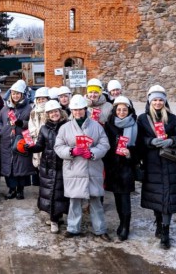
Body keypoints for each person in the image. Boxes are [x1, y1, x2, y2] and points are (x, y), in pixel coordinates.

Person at [137, 85, 176, 249]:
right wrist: (149, 141)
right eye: (155, 100)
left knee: (169, 197)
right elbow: (138, 140)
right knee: (157, 195)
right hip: (152, 162)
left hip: (170, 161)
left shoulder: (171, 118)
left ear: (164, 101)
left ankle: (165, 231)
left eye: (160, 100)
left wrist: (171, 140)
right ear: (150, 101)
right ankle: (159, 222)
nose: (158, 103)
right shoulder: (143, 118)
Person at [54, 94, 111, 241]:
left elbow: (105, 144)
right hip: (74, 169)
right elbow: (58, 146)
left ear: (85, 109)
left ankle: (100, 229)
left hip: (92, 168)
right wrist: (71, 151)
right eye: (75, 110)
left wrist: (92, 153)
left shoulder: (96, 126)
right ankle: (73, 228)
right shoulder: (65, 128)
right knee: (74, 201)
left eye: (80, 109)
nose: (78, 112)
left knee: (95, 201)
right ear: (71, 111)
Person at [26, 100, 69, 234]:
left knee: (60, 193)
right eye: (51, 112)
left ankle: (58, 217)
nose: (54, 114)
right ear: (47, 114)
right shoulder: (44, 128)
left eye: (56, 111)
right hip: (48, 165)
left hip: (63, 164)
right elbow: (40, 145)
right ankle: (53, 220)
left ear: (60, 112)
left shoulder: (67, 126)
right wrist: (30, 148)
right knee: (50, 193)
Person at [103, 96, 139, 241]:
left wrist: (130, 153)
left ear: (129, 110)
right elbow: (105, 144)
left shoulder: (135, 125)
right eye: (119, 109)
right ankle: (121, 222)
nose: (122, 112)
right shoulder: (109, 125)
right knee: (117, 196)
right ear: (115, 110)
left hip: (127, 166)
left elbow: (140, 147)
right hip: (113, 165)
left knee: (125, 197)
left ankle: (125, 226)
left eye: (125, 109)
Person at [0, 80, 35, 200]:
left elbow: (32, 124)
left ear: (22, 94)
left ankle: (20, 190)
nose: (15, 96)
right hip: (6, 142)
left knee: (21, 166)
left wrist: (21, 123)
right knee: (10, 166)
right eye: (13, 93)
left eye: (18, 93)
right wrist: (1, 130)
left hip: (21, 141)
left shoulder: (28, 108)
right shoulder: (5, 108)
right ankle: (11, 189)